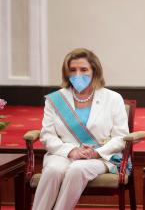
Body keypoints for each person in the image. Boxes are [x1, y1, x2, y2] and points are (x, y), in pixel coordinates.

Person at [33, 48, 129, 210]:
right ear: (66, 73)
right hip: (63, 153)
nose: (78, 74)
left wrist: (96, 152)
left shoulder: (112, 98)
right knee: (54, 170)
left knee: (77, 169)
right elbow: (47, 136)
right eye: (72, 70)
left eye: (83, 69)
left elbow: (121, 137)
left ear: (94, 71)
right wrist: (71, 151)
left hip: (100, 157)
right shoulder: (55, 99)